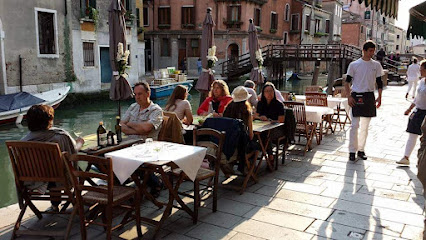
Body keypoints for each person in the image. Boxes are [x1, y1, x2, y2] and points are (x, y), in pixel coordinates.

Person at [22, 104, 84, 211]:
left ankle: (55, 206)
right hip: (58, 178)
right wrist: (80, 143)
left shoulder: (22, 142)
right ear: (49, 120)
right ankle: (76, 200)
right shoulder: (60, 136)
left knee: (51, 170)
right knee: (77, 172)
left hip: (34, 179)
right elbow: (72, 152)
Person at [345, 40, 384, 161]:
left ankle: (361, 150)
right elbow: (347, 82)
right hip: (356, 95)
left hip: (369, 95)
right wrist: (349, 96)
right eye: (370, 51)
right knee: (354, 125)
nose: (372, 53)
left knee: (365, 127)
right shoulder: (354, 65)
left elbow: (379, 82)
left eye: (373, 51)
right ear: (364, 50)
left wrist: (380, 97)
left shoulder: (376, 65)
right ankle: (352, 150)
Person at [397, 59, 426, 165]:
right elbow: (417, 98)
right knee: (412, 134)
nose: (420, 71)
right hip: (418, 111)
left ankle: (422, 161)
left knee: (424, 138)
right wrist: (409, 109)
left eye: (421, 69)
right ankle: (406, 157)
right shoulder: (422, 81)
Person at [255, 83, 285, 162]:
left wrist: (270, 121)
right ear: (263, 93)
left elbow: (281, 121)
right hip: (263, 127)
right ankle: (253, 154)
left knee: (266, 135)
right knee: (254, 134)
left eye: (271, 91)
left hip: (277, 129)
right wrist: (260, 117)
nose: (269, 93)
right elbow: (255, 116)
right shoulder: (260, 104)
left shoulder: (279, 105)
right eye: (267, 91)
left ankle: (270, 156)